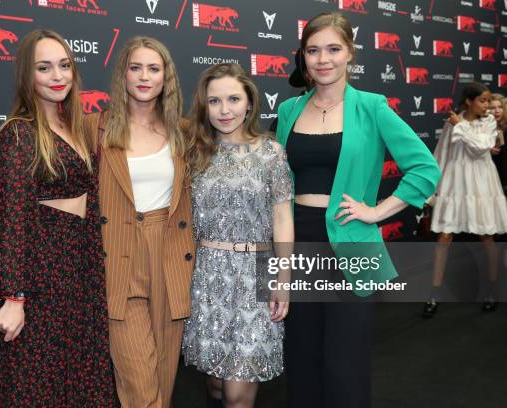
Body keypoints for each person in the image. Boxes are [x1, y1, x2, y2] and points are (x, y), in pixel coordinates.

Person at [275, 12, 440, 408]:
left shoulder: (372, 107)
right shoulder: (287, 111)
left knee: (344, 365)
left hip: (352, 243)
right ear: (303, 57)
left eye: (333, 49)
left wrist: (377, 211)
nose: (322, 59)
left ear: (350, 53)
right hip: (297, 244)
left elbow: (425, 169)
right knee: (301, 360)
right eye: (313, 50)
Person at [0, 29, 114, 407]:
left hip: (81, 272)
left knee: (80, 383)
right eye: (44, 67)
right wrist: (14, 296)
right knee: (36, 387)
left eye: (64, 65)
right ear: (28, 75)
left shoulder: (77, 126)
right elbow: (12, 220)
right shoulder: (18, 134)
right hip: (41, 279)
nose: (58, 76)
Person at [182, 63, 293, 408]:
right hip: (205, 276)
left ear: (249, 103)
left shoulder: (270, 152)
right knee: (215, 385)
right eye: (214, 101)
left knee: (237, 395)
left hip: (256, 273)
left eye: (233, 99)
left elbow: (282, 217)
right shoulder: (194, 152)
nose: (225, 110)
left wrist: (283, 280)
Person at [97, 36, 195, 408]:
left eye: (153, 68)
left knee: (164, 379)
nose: (144, 76)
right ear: (122, 75)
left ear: (165, 77)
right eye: (135, 67)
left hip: (171, 257)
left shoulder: (184, 133)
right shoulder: (96, 128)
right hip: (118, 257)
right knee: (139, 384)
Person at [425, 83, 507, 316]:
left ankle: (491, 289)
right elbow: (440, 155)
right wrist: (432, 191)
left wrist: (460, 125)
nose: (488, 105)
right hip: (454, 183)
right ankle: (434, 293)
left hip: (481, 184)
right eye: (483, 100)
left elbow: (480, 148)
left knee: (487, 236)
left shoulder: (488, 122)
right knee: (444, 237)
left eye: (489, 101)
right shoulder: (452, 123)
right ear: (469, 101)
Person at [490, 93, 506, 191]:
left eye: (500, 107)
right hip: (490, 177)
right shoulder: (481, 129)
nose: (497, 111)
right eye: (493, 108)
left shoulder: (504, 126)